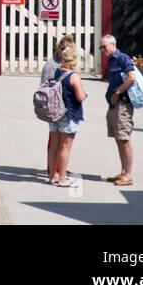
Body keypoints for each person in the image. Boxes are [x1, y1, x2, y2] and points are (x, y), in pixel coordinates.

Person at [46, 45, 87, 186]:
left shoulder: (57, 72)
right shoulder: (73, 76)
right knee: (65, 147)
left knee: (54, 146)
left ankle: (53, 176)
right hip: (69, 114)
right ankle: (63, 178)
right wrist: (85, 94)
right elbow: (79, 97)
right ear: (74, 60)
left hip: (54, 112)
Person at [100, 34, 136, 186]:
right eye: (101, 47)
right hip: (114, 105)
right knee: (119, 139)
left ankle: (127, 175)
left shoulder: (122, 58)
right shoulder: (112, 60)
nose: (102, 50)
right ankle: (123, 172)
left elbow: (131, 77)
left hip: (123, 104)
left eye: (104, 47)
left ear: (113, 44)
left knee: (124, 139)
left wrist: (117, 93)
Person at [41, 34, 75, 178]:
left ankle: (58, 168)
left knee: (61, 142)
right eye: (63, 48)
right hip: (54, 107)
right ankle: (53, 171)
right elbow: (44, 87)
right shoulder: (51, 65)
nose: (65, 51)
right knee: (55, 142)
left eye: (68, 48)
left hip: (65, 107)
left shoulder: (66, 64)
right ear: (58, 48)